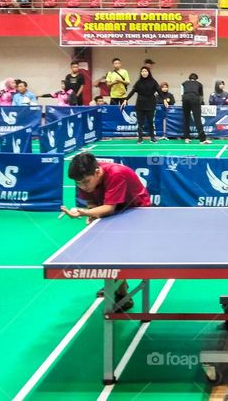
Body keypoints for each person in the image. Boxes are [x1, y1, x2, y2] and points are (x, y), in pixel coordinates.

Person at [62, 152, 152, 312]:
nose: (83, 186)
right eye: (79, 184)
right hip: (114, 209)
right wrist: (92, 213)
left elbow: (109, 209)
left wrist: (84, 213)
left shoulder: (116, 174)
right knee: (107, 250)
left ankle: (122, 293)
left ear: (97, 172)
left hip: (136, 211)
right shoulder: (85, 179)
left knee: (121, 252)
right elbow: (91, 201)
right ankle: (116, 285)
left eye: (85, 182)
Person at [122, 65, 159, 144]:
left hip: (150, 104)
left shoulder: (153, 81)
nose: (144, 73)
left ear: (148, 72)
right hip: (140, 105)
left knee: (150, 122)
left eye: (146, 71)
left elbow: (159, 90)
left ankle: (152, 137)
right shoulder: (138, 82)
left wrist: (165, 100)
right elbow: (132, 92)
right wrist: (126, 99)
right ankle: (140, 138)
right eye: (142, 71)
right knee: (140, 123)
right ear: (141, 73)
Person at [180, 72, 210, 144]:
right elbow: (201, 96)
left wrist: (184, 100)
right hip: (195, 99)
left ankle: (186, 138)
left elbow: (182, 94)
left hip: (185, 99)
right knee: (197, 119)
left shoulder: (183, 83)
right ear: (196, 79)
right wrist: (201, 103)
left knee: (186, 118)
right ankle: (202, 139)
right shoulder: (199, 84)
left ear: (189, 78)